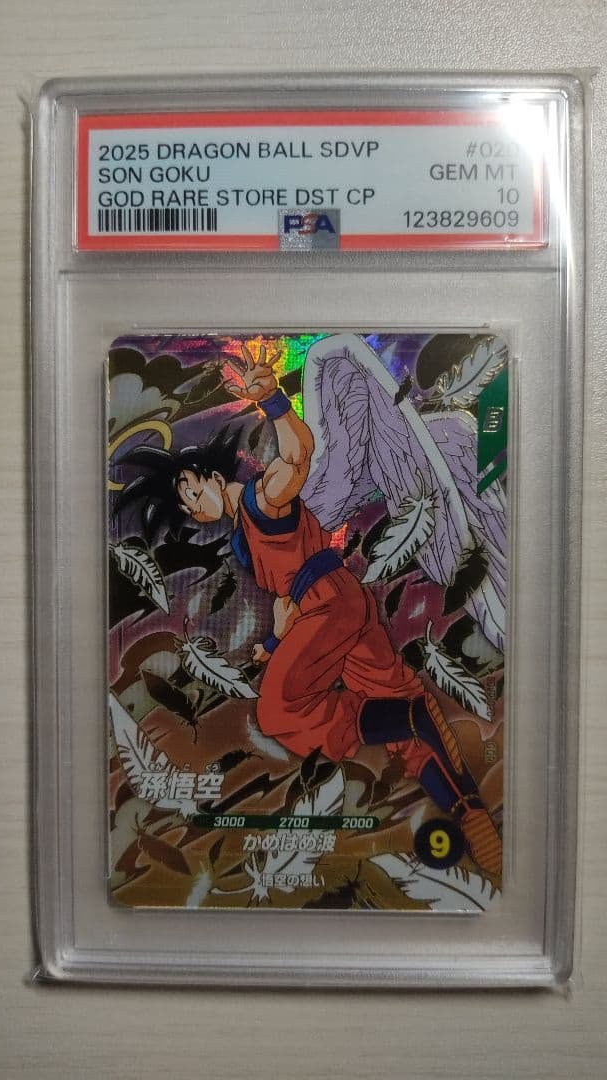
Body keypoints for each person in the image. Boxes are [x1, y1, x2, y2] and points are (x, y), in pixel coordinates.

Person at [116, 343, 502, 878]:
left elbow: (297, 454)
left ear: (211, 476)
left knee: (279, 711)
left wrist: (273, 400)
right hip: (337, 607)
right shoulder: (245, 536)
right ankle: (470, 813)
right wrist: (275, 644)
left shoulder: (262, 499)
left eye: (191, 490)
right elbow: (283, 602)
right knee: (401, 731)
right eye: (184, 505)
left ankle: (413, 719)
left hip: (331, 607)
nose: (191, 506)